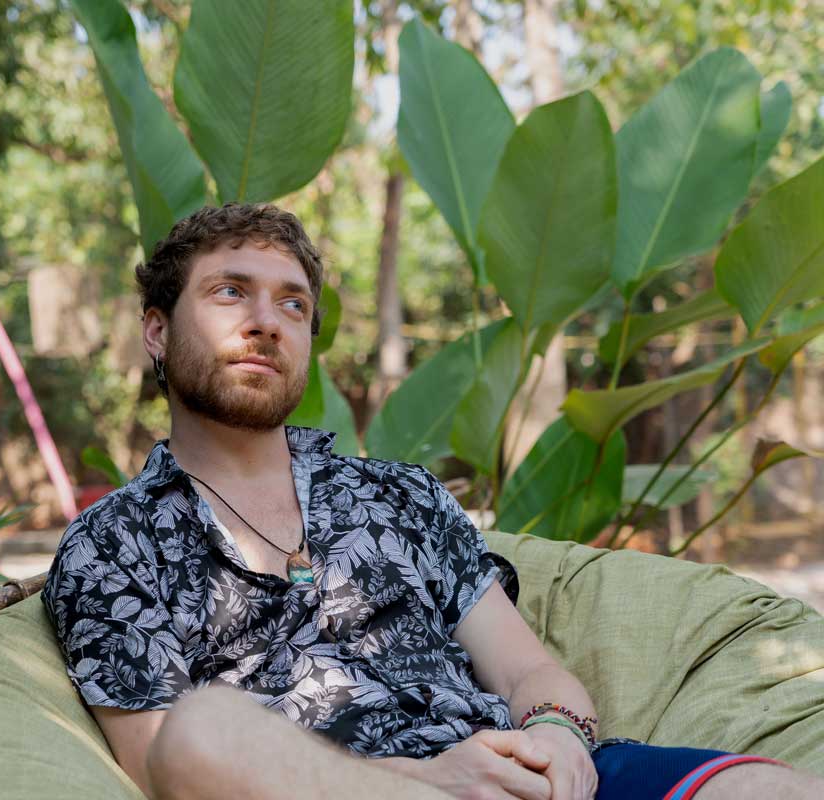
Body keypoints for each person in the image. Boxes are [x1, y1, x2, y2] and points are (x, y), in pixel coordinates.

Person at [42, 204, 823, 800]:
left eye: (292, 305)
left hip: (517, 780)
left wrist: (555, 736)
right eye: (230, 292)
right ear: (155, 329)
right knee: (203, 727)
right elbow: (165, 767)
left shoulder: (400, 496)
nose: (265, 322)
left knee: (769, 789)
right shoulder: (112, 545)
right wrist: (427, 782)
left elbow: (529, 672)